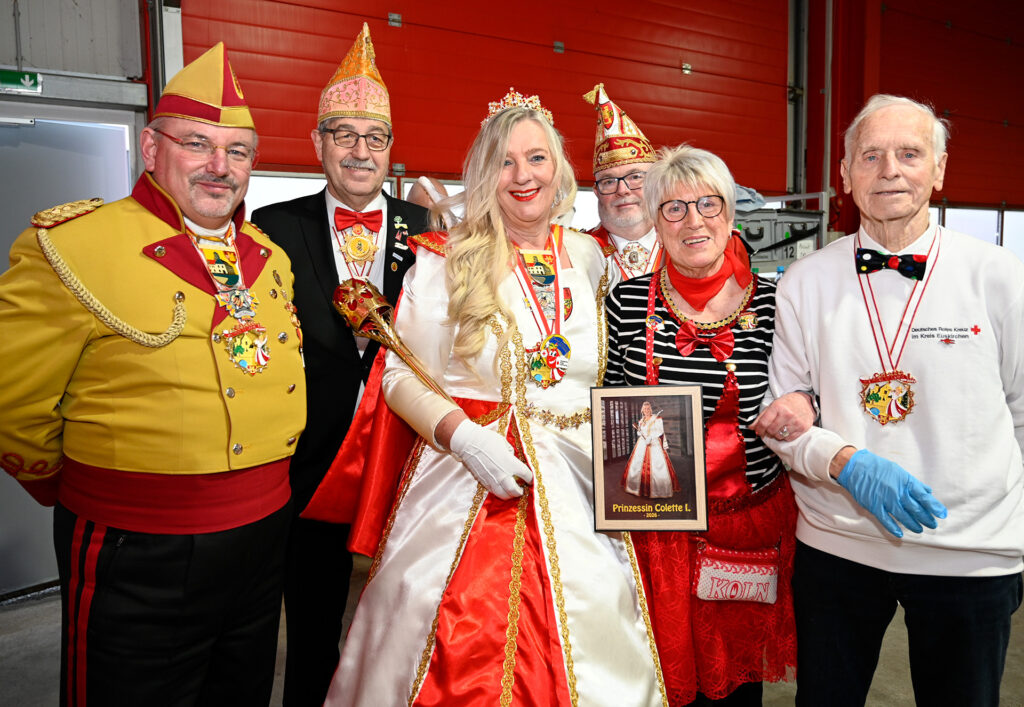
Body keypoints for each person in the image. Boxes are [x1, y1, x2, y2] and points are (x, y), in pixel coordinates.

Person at [325, 89, 664, 706]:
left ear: (558, 168)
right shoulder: (444, 259)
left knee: (598, 638)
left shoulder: (588, 256)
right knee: (452, 639)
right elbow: (401, 378)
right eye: (505, 162)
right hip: (469, 481)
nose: (522, 175)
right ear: (484, 172)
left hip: (584, 487)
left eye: (536, 158)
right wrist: (464, 436)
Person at [0, 43, 306, 706]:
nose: (220, 168)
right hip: (137, 545)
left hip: (264, 539)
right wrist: (99, 486)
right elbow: (13, 403)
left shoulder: (269, 258)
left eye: (239, 151)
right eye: (197, 143)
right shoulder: (72, 246)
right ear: (150, 147)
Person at [759, 94, 1024, 707]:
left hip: (971, 552)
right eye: (870, 156)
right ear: (845, 176)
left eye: (910, 154)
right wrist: (844, 460)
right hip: (837, 542)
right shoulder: (806, 280)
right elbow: (781, 415)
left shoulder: (998, 275)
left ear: (939, 169)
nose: (890, 170)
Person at [249, 23, 429, 707]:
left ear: (391, 149)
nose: (360, 150)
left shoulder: (428, 232)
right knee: (313, 629)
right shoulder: (272, 224)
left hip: (408, 462)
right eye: (343, 134)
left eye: (374, 137)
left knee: (406, 625)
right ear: (317, 143)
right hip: (310, 468)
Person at [605, 144, 814, 705]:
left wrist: (807, 403)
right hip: (657, 532)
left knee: (737, 688)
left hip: (748, 527)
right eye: (673, 208)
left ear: (731, 212)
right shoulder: (625, 303)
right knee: (657, 682)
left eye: (708, 204)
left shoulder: (777, 301)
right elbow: (609, 409)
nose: (693, 220)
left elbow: (810, 384)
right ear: (655, 220)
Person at [583, 83, 662, 279]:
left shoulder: (688, 242)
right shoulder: (577, 253)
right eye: (609, 181)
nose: (622, 190)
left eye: (635, 177)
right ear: (596, 192)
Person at [623, 401, 680, 498]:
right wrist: (639, 433)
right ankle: (637, 487)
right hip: (642, 443)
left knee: (657, 465)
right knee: (637, 464)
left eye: (648, 408)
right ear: (642, 410)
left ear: (651, 409)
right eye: (645, 409)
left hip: (654, 443)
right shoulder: (641, 420)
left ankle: (658, 491)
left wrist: (651, 438)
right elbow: (640, 432)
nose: (647, 410)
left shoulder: (657, 419)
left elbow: (660, 430)